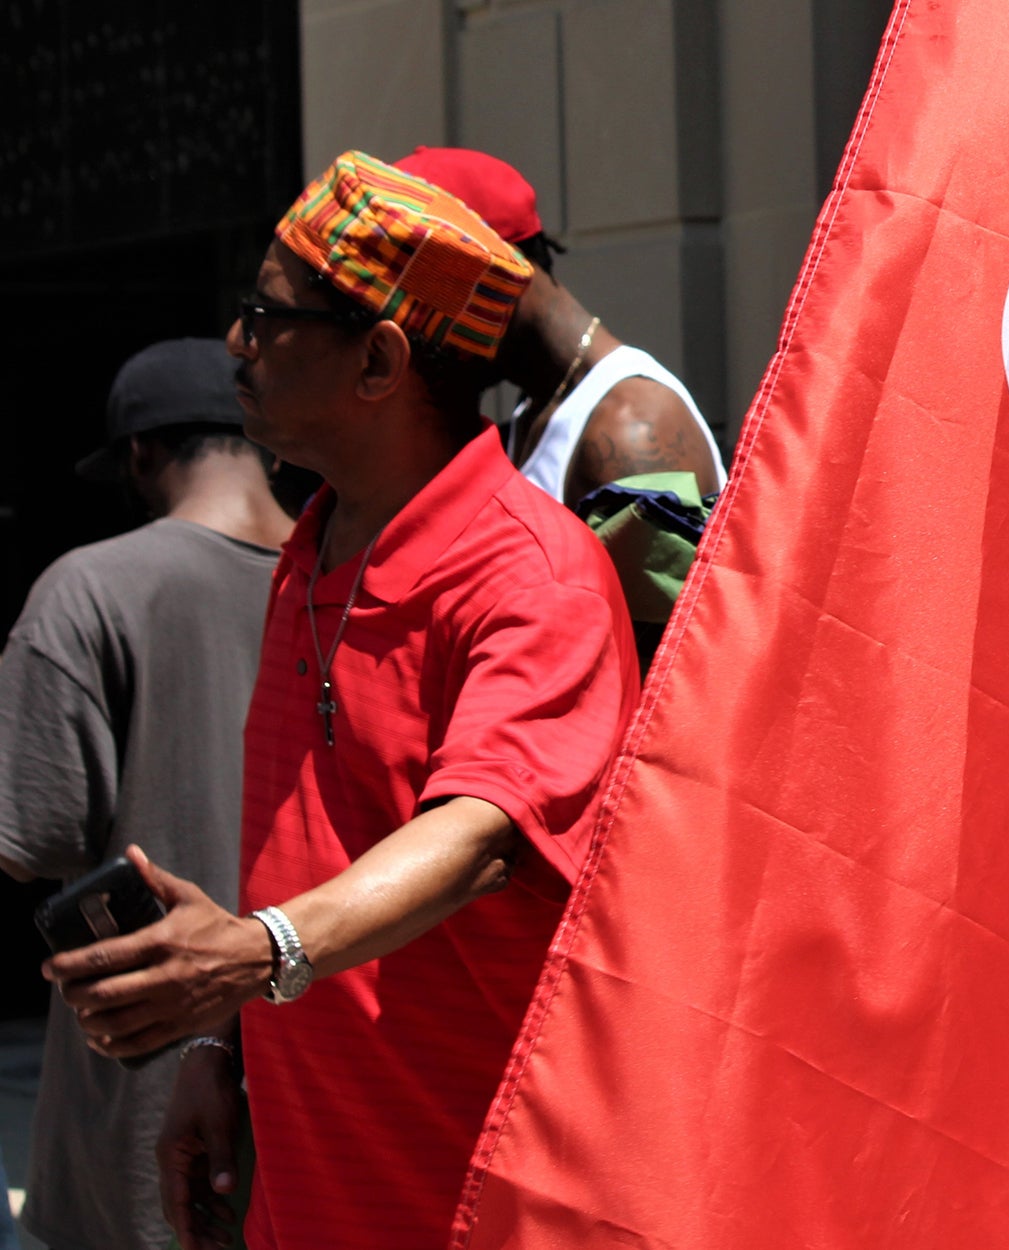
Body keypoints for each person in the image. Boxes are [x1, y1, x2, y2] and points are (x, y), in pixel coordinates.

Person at [40, 152, 640, 1250]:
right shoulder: (309, 548)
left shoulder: (531, 574)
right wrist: (219, 1047)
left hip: (482, 1197)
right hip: (313, 1188)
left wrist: (256, 950)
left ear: (379, 360)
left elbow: (477, 834)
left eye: (268, 314)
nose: (237, 343)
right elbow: (298, 840)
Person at [0, 339, 290, 1250]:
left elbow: (34, 836)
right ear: (267, 445)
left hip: (145, 1084)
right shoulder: (349, 579)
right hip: (319, 1065)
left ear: (140, 454)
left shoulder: (88, 589)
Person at [391, 145, 728, 508]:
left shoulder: (629, 431)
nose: (417, 334)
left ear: (496, 272)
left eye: (425, 303)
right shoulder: (537, 409)